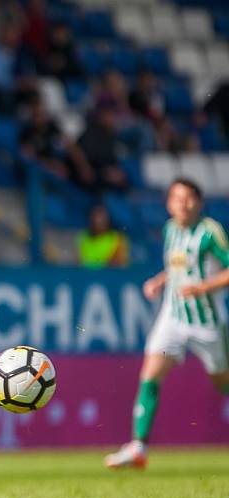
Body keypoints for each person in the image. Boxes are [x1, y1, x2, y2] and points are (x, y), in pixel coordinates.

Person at [105, 178, 229, 469]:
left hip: (207, 323)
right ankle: (138, 447)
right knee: (150, 375)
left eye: (188, 198)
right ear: (168, 203)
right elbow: (178, 266)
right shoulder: (170, 229)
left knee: (222, 383)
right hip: (172, 317)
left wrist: (202, 288)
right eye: (176, 198)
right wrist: (160, 281)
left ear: (198, 202)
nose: (182, 204)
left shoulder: (210, 233)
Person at [77, 204, 129, 268]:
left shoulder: (118, 238)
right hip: (87, 276)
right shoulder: (82, 237)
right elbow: (78, 262)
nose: (98, 221)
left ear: (108, 219)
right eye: (96, 217)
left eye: (101, 218)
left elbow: (119, 264)